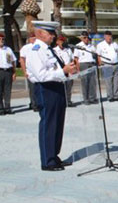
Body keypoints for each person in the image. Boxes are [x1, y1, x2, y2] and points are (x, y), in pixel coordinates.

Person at [26, 21, 79, 170]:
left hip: (57, 87)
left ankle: (54, 156)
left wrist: (68, 71)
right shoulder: (36, 50)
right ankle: (47, 161)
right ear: (40, 33)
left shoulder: (49, 49)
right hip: (45, 89)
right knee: (49, 124)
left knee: (58, 124)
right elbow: (41, 75)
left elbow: (57, 69)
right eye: (51, 33)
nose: (54, 36)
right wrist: (63, 71)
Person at [96, 31, 118, 101]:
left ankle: (116, 96)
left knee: (116, 81)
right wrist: (100, 63)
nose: (109, 37)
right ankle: (110, 96)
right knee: (108, 81)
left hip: (116, 64)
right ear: (104, 36)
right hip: (107, 64)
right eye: (107, 36)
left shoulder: (115, 44)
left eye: (110, 36)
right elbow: (98, 55)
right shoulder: (100, 45)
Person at [74, 31, 98, 105]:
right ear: (81, 38)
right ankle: (86, 99)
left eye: (87, 37)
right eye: (84, 37)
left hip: (92, 64)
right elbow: (76, 59)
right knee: (85, 83)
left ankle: (92, 98)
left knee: (92, 82)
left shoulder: (91, 46)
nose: (86, 39)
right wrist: (77, 69)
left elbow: (95, 55)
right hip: (83, 65)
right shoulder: (78, 46)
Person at [19, 36, 40, 112]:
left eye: (35, 36)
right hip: (30, 71)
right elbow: (22, 60)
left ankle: (37, 103)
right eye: (32, 37)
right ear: (29, 39)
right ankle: (34, 104)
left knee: (39, 88)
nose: (34, 38)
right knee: (33, 89)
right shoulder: (25, 48)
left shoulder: (39, 46)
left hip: (39, 71)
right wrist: (24, 71)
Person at [54, 34, 75, 107]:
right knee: (60, 88)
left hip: (69, 71)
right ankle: (61, 101)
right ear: (57, 42)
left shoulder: (68, 49)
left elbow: (72, 59)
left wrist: (73, 68)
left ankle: (68, 101)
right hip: (60, 71)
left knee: (69, 87)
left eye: (63, 40)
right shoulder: (54, 50)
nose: (62, 42)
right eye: (60, 41)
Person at [0, 33, 17, 115]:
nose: (1, 41)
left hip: (8, 71)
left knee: (7, 90)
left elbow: (13, 61)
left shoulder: (8, 49)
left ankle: (7, 107)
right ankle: (0, 108)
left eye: (2, 39)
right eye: (0, 39)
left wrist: (14, 72)